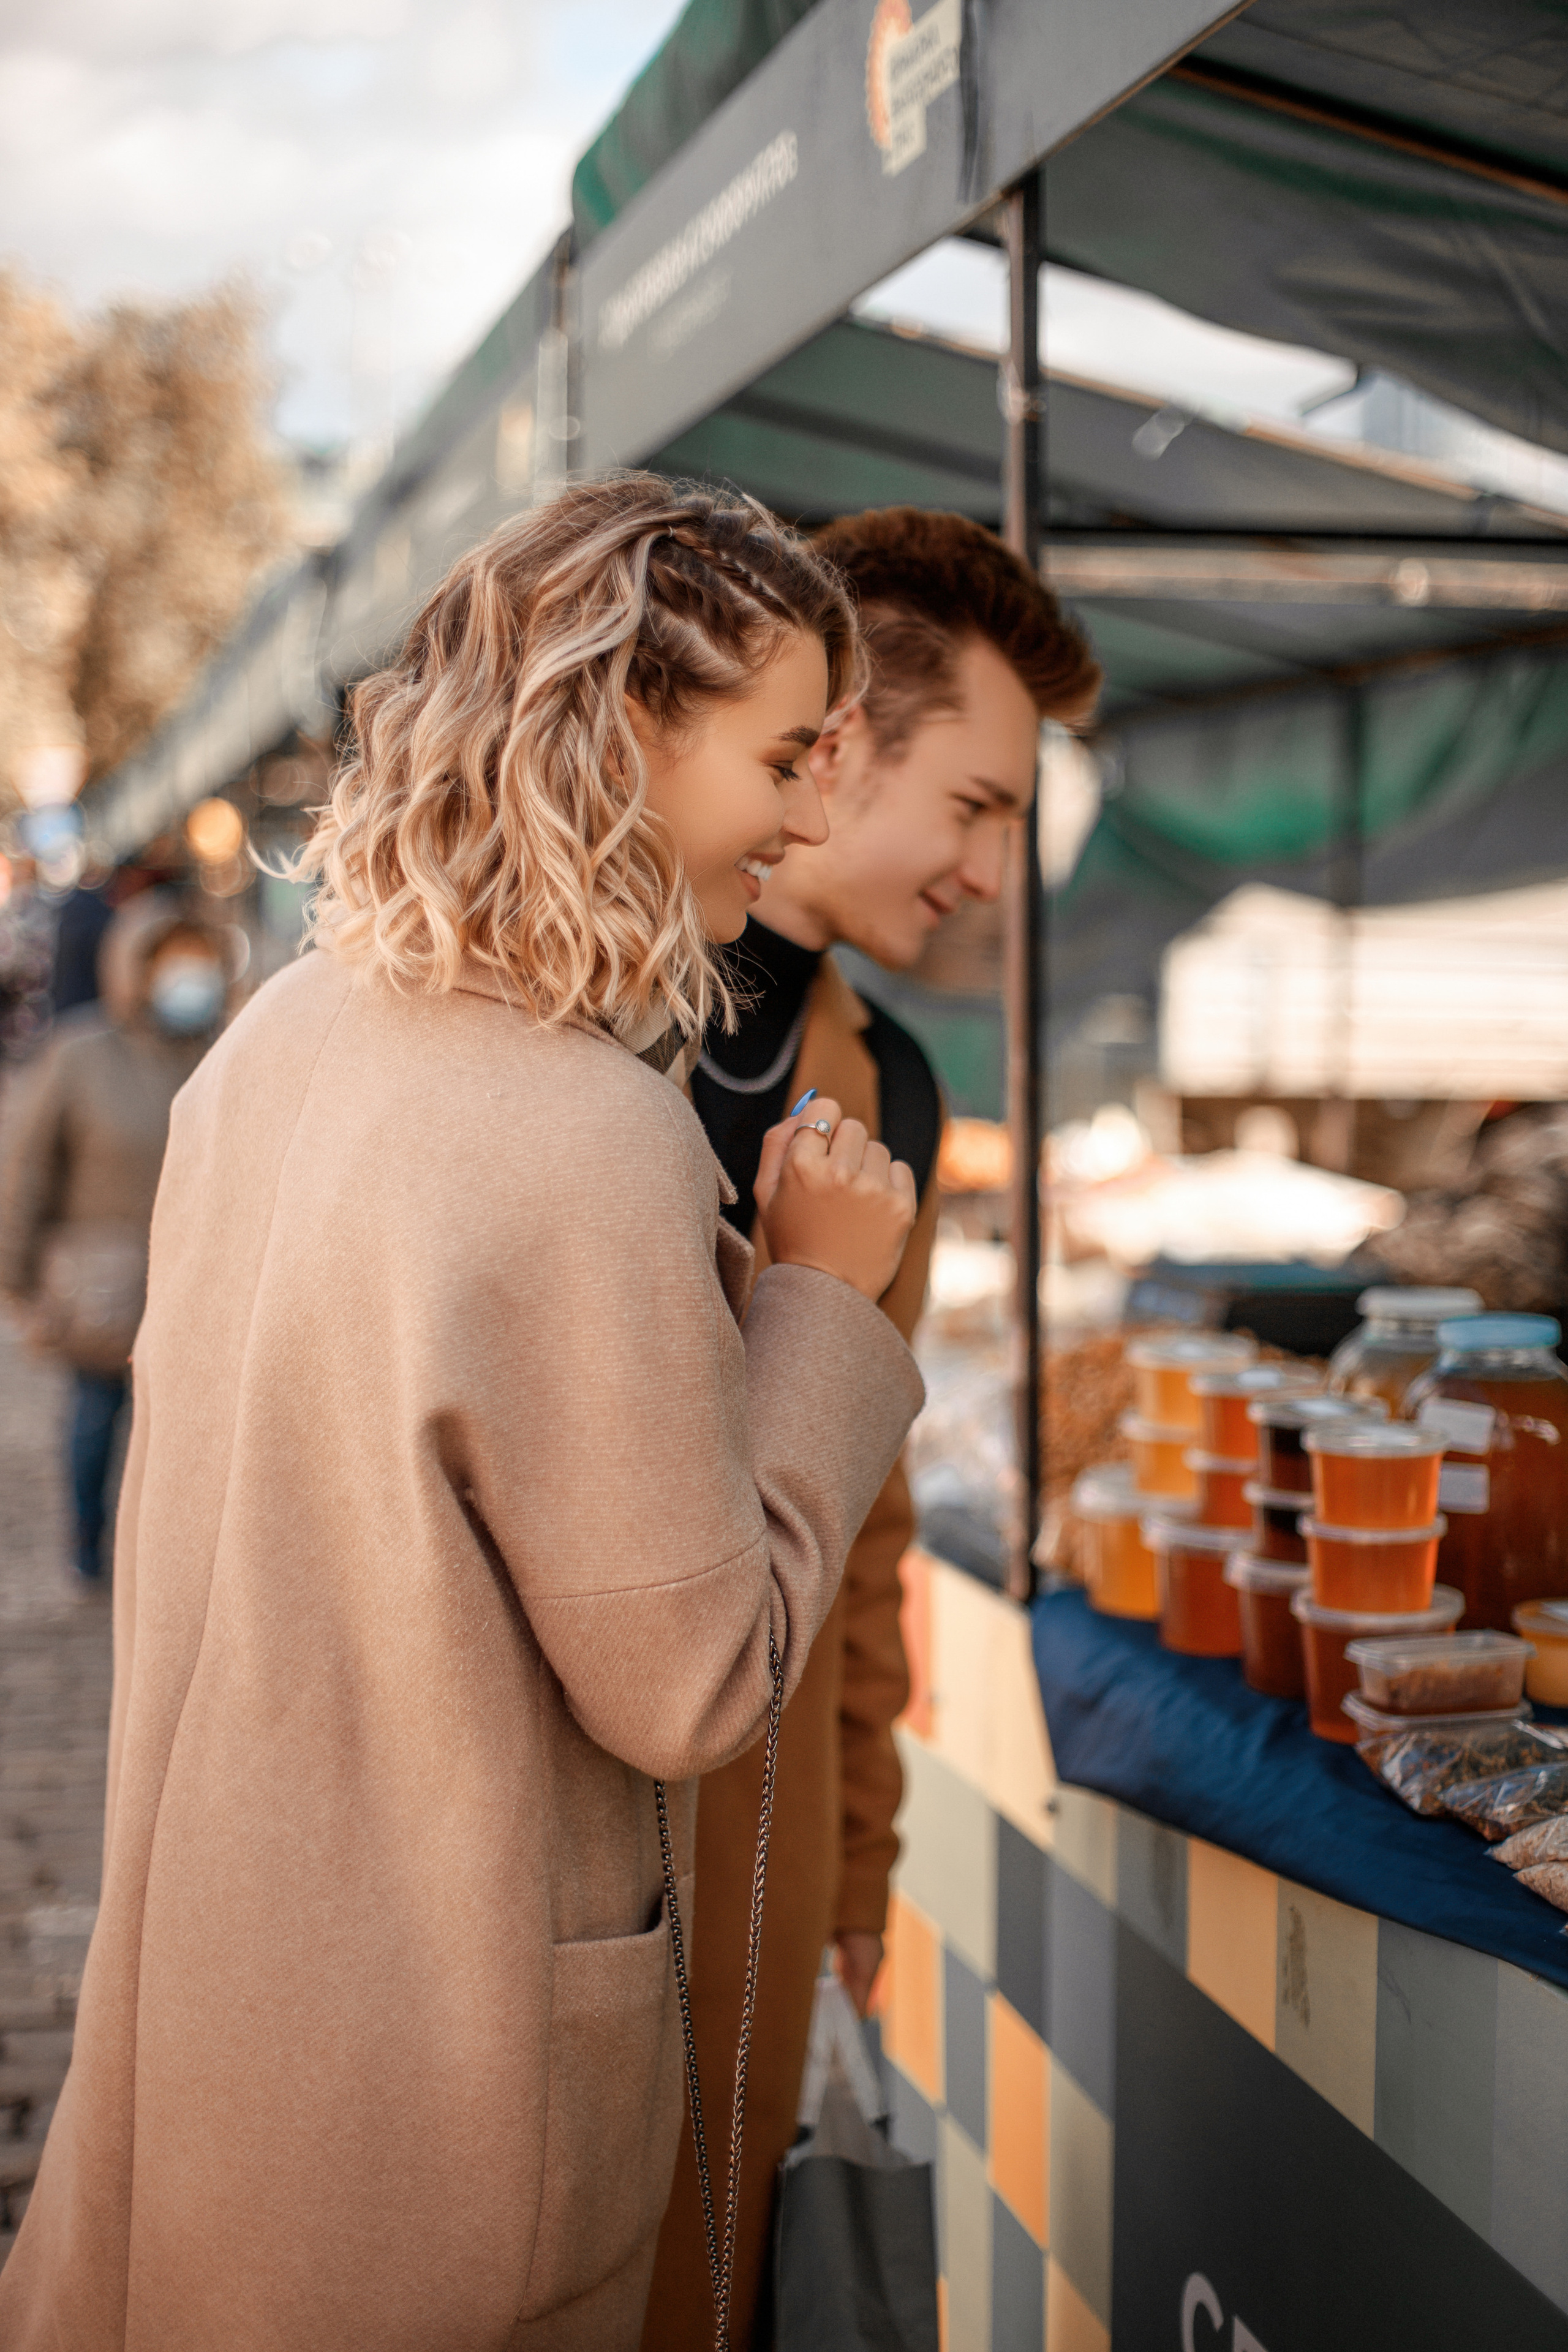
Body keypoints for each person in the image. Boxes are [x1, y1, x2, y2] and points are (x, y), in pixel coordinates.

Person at [0, 477, 925, 2352]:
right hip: (439, 2098)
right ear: (622, 728)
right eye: (781, 752)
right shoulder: (588, 1127)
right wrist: (824, 1299)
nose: (814, 811)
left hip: (218, 2018)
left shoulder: (281, 1038)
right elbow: (690, 1678)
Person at [646, 507, 1101, 2350]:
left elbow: (866, 1524)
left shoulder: (894, 1088)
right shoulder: (575, 1023)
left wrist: (852, 1855)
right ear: (838, 750)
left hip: (749, 1852)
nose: (994, 874)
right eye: (978, 806)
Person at [0, 890, 230, 1583]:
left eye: (196, 961)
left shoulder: (221, 1051)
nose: (186, 977)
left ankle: (171, 1552)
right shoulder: (81, 1053)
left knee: (185, 1433)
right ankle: (88, 1545)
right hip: (103, 1282)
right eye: (170, 963)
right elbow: (28, 1169)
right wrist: (15, 1275)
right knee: (97, 1417)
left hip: (197, 1281)